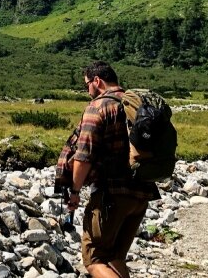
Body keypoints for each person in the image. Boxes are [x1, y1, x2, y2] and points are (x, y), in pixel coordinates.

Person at [67, 61, 160, 278]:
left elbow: (84, 156)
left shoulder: (98, 107)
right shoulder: (137, 104)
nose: (87, 90)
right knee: (115, 257)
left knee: (94, 258)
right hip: (141, 193)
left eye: (87, 85)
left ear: (97, 81)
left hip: (111, 196)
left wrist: (74, 192)